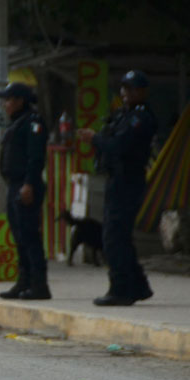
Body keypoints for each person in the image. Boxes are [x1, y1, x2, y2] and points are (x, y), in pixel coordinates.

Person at [76, 70, 156, 306]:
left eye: (130, 89)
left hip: (128, 180)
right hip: (117, 179)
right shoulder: (125, 115)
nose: (125, 93)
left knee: (113, 237)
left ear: (141, 92)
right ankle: (139, 286)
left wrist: (95, 139)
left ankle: (121, 289)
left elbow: (120, 145)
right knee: (119, 235)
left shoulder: (139, 118)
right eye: (123, 88)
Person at [0, 82, 51, 300]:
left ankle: (39, 284)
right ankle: (24, 281)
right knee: (19, 235)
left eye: (8, 100)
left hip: (27, 184)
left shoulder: (33, 123)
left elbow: (36, 158)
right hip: (15, 184)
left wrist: (28, 184)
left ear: (20, 101)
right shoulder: (18, 122)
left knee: (29, 236)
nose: (5, 105)